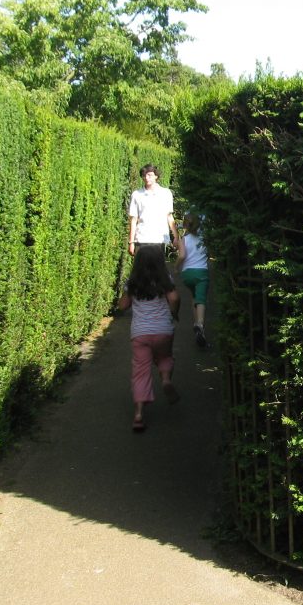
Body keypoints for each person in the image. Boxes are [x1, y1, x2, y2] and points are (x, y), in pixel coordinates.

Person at [116, 245, 180, 431]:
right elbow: (174, 298)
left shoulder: (133, 281)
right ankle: (166, 379)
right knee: (165, 357)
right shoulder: (165, 279)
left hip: (140, 333)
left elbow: (123, 306)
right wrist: (174, 313)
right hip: (163, 330)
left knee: (140, 371)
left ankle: (138, 415)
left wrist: (125, 295)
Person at [127, 163, 178, 257]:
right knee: (141, 271)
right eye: (144, 175)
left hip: (159, 239)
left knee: (158, 270)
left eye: (149, 175)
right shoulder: (137, 194)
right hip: (141, 239)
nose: (146, 178)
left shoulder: (166, 193)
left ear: (156, 176)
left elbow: (169, 216)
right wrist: (131, 242)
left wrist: (176, 237)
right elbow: (133, 220)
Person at [178, 212, 210, 348]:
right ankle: (200, 325)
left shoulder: (183, 239)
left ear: (186, 224)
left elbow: (182, 256)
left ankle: (195, 322)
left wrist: (175, 267)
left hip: (187, 275)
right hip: (201, 273)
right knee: (201, 299)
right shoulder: (205, 239)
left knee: (194, 296)